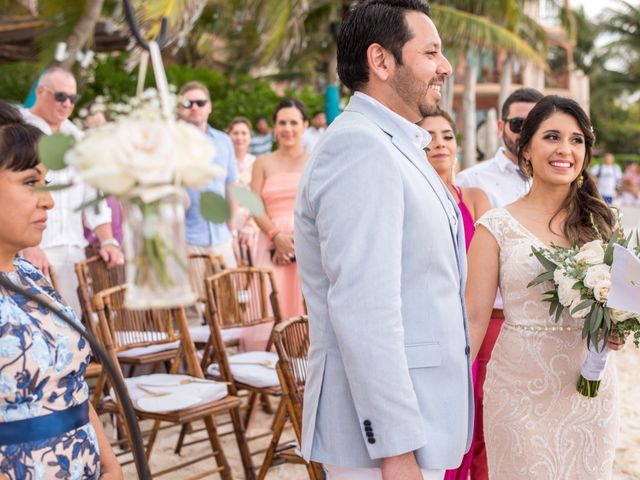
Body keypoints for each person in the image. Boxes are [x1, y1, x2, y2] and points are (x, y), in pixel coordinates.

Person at [295, 2, 472, 479]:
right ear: (381, 61)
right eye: (431, 52)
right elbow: (363, 307)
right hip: (379, 448)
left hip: (420, 422)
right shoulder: (361, 147)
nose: (445, 67)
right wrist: (395, 452)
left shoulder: (396, 144)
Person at [466, 95, 622, 479]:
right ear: (527, 148)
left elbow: (620, 302)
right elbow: (471, 319)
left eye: (576, 140)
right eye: (552, 136)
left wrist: (617, 324)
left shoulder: (602, 224)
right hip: (518, 393)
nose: (565, 149)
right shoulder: (494, 226)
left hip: (590, 392)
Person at [0, 100, 122, 479]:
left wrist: (110, 464)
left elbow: (71, 386)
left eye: (46, 183)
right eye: (30, 183)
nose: (48, 200)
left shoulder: (33, 277)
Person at [455, 86, 543, 480]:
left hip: (550, 327)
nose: (525, 132)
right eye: (518, 123)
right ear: (501, 125)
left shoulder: (562, 180)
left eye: (535, 124)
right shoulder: (473, 181)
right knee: (488, 426)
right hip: (494, 319)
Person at [20, 67, 123, 317]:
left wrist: (107, 240)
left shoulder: (77, 138)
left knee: (73, 325)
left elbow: (93, 197)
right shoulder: (18, 130)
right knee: (37, 326)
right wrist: (25, 246)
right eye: (60, 97)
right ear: (40, 92)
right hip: (34, 251)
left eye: (72, 99)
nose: (67, 104)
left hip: (74, 249)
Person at [420, 109, 489, 480]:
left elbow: (492, 267)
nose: (440, 143)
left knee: (469, 418)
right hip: (430, 324)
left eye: (446, 135)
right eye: (429, 136)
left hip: (469, 324)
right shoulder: (413, 195)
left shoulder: (475, 197)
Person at [249, 99, 308, 350]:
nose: (287, 128)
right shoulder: (262, 162)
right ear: (274, 127)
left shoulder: (316, 159)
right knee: (271, 306)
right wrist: (276, 236)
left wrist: (299, 238)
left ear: (304, 126)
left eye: (293, 122)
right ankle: (268, 378)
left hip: (306, 243)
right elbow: (254, 205)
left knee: (304, 308)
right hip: (271, 244)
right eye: (282, 122)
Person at [177, 81, 238, 268]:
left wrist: (232, 227)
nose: (194, 107)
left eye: (200, 103)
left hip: (222, 237)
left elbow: (231, 185)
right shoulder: (172, 142)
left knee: (229, 296)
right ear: (180, 108)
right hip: (189, 239)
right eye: (188, 103)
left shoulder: (224, 141)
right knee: (196, 298)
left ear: (209, 107)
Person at [227, 117, 259, 257]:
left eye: (243, 133)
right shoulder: (223, 163)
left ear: (250, 136)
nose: (239, 137)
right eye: (235, 133)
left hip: (252, 222)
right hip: (227, 222)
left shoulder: (257, 163)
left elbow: (261, 196)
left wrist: (251, 224)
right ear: (229, 135)